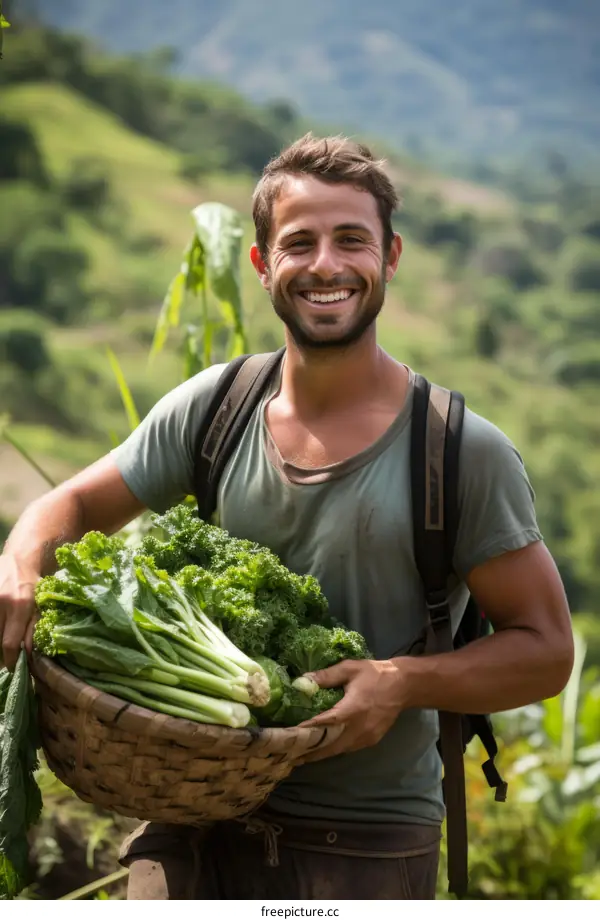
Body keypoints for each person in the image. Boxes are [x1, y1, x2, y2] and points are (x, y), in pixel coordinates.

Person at [0, 134, 573, 900]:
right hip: (189, 816)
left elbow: (546, 650)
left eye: (352, 240)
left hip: (363, 842)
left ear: (391, 258)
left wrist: (401, 682)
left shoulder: (458, 451)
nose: (326, 265)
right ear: (264, 264)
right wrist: (21, 563)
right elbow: (68, 504)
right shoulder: (216, 408)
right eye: (299, 242)